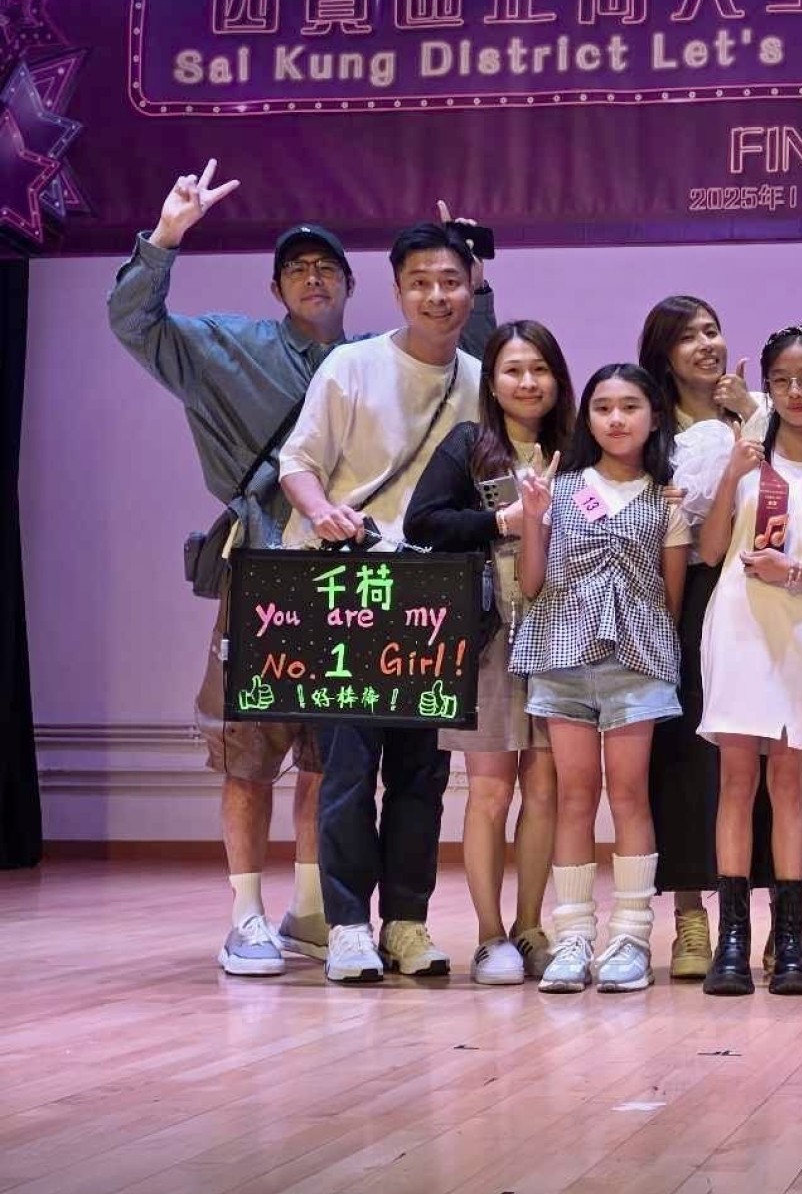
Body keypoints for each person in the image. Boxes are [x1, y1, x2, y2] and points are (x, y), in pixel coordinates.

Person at [107, 161, 495, 977]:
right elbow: (136, 325)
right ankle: (247, 915)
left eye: (326, 266)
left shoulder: (402, 360)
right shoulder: (234, 349)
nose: (312, 277)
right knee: (251, 754)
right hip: (271, 571)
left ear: (354, 284)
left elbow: (485, 370)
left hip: (395, 588)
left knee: (342, 762)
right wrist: (167, 236)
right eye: (296, 268)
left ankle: (319, 913)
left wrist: (470, 268)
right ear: (276, 287)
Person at [640, 297, 802, 982]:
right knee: (735, 782)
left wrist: (793, 571)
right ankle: (732, 942)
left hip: (801, 629)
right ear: (767, 386)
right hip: (736, 623)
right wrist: (734, 476)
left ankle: (791, 939)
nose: (795, 392)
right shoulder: (741, 452)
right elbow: (712, 550)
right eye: (781, 380)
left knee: (790, 781)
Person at [278, 222, 483, 983]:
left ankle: (406, 922)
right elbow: (297, 464)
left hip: (435, 593)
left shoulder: (481, 380)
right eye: (420, 282)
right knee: (347, 768)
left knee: (423, 772)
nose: (437, 295)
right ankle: (345, 927)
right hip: (350, 585)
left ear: (472, 290)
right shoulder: (352, 365)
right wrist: (323, 510)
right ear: (397, 291)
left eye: (451, 281)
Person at [509, 363, 689, 995]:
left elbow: (670, 598)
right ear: (586, 418)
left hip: (636, 664)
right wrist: (533, 517)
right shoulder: (557, 488)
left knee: (630, 797)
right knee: (574, 798)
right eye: (603, 407)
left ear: (654, 417)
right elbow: (531, 583)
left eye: (630, 406)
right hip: (561, 662)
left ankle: (631, 936)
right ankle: (573, 937)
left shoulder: (667, 499)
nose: (616, 419)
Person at [405, 320, 575, 984]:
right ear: (492, 382)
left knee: (546, 787)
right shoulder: (470, 445)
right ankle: (487, 934)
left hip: (563, 635)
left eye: (539, 369)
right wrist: (502, 521)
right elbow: (424, 522)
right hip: (490, 635)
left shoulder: (578, 449)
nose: (527, 382)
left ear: (558, 378)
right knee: (490, 791)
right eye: (513, 370)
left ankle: (531, 926)